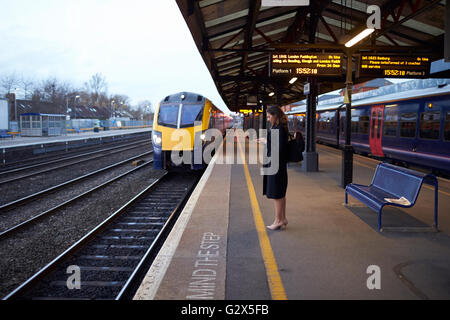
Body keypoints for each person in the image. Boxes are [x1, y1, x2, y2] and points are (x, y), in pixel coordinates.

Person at [259, 106, 289, 231]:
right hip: (278, 165)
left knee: (277, 194)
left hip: (276, 166)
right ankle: (283, 219)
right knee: (280, 193)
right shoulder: (279, 128)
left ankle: (278, 220)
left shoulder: (279, 129)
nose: (268, 119)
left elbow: (278, 149)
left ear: (275, 115)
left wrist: (266, 142)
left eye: (269, 116)